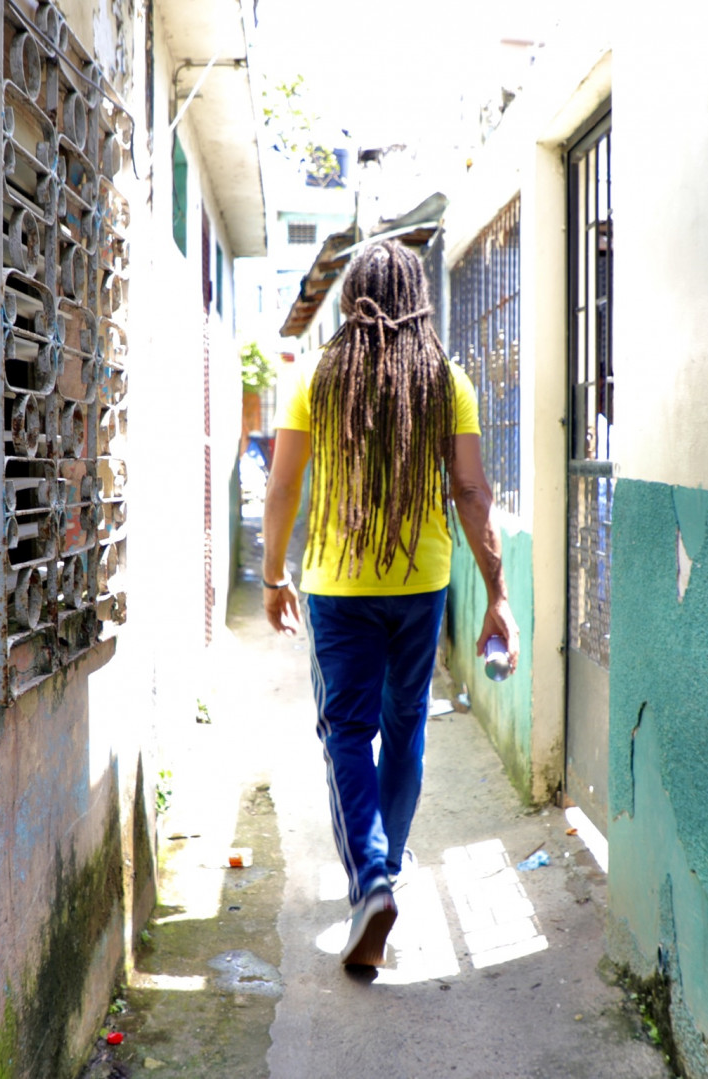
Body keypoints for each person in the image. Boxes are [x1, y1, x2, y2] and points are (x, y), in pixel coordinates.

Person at [261, 239, 520, 968]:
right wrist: (498, 595)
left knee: (347, 731)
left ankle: (371, 878)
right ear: (419, 298)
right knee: (405, 724)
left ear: (351, 299)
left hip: (339, 589)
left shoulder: (317, 375)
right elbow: (471, 491)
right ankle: (389, 865)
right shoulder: (444, 378)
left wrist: (274, 575)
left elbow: (283, 485)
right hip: (420, 584)